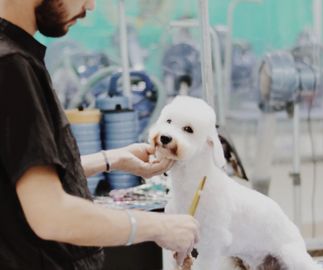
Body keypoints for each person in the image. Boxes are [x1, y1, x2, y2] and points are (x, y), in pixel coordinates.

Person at [0, 0, 200, 269]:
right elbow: (50, 214)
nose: (91, 5)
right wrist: (159, 226)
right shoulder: (13, 66)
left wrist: (111, 160)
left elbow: (16, 175)